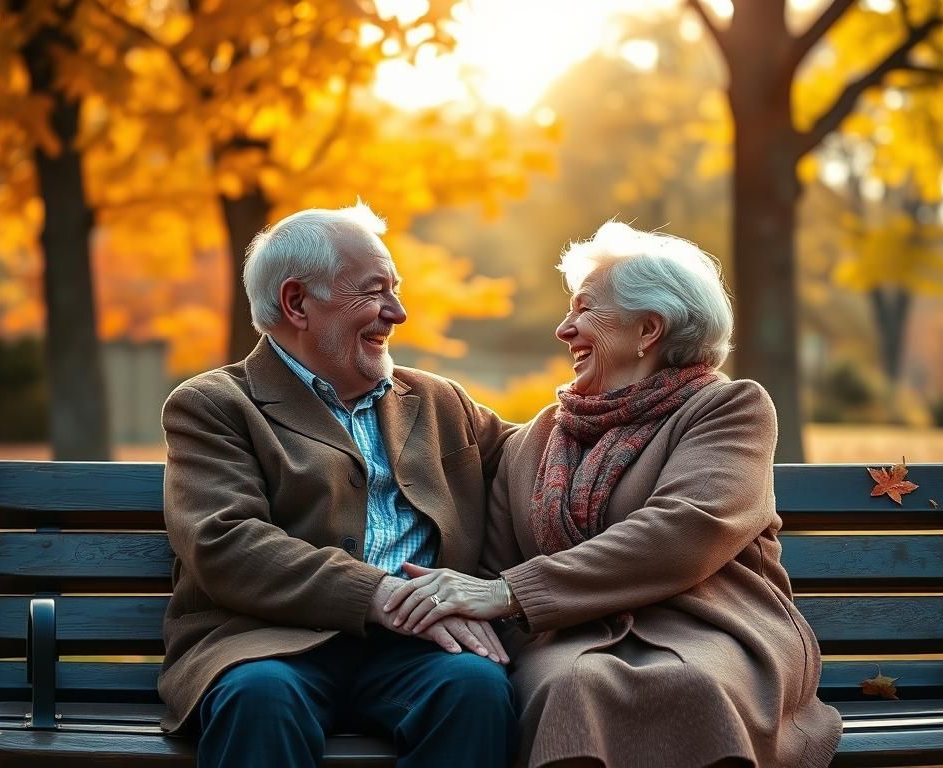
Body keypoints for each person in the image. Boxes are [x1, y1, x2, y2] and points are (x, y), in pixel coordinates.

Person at [385, 222, 844, 767]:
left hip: (711, 628)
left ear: (648, 328)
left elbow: (686, 529)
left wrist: (513, 593)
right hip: (568, 642)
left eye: (584, 310)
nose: (564, 329)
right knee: (571, 687)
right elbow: (493, 566)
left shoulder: (729, 409)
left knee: (693, 685)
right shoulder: (535, 439)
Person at [158, 202, 519, 768]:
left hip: (417, 651)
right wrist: (381, 595)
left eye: (395, 291)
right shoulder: (215, 405)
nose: (397, 312)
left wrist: (648, 396)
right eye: (374, 292)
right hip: (266, 645)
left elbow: (541, 458)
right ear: (297, 302)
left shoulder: (438, 400)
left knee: (474, 689)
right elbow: (225, 542)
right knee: (260, 699)